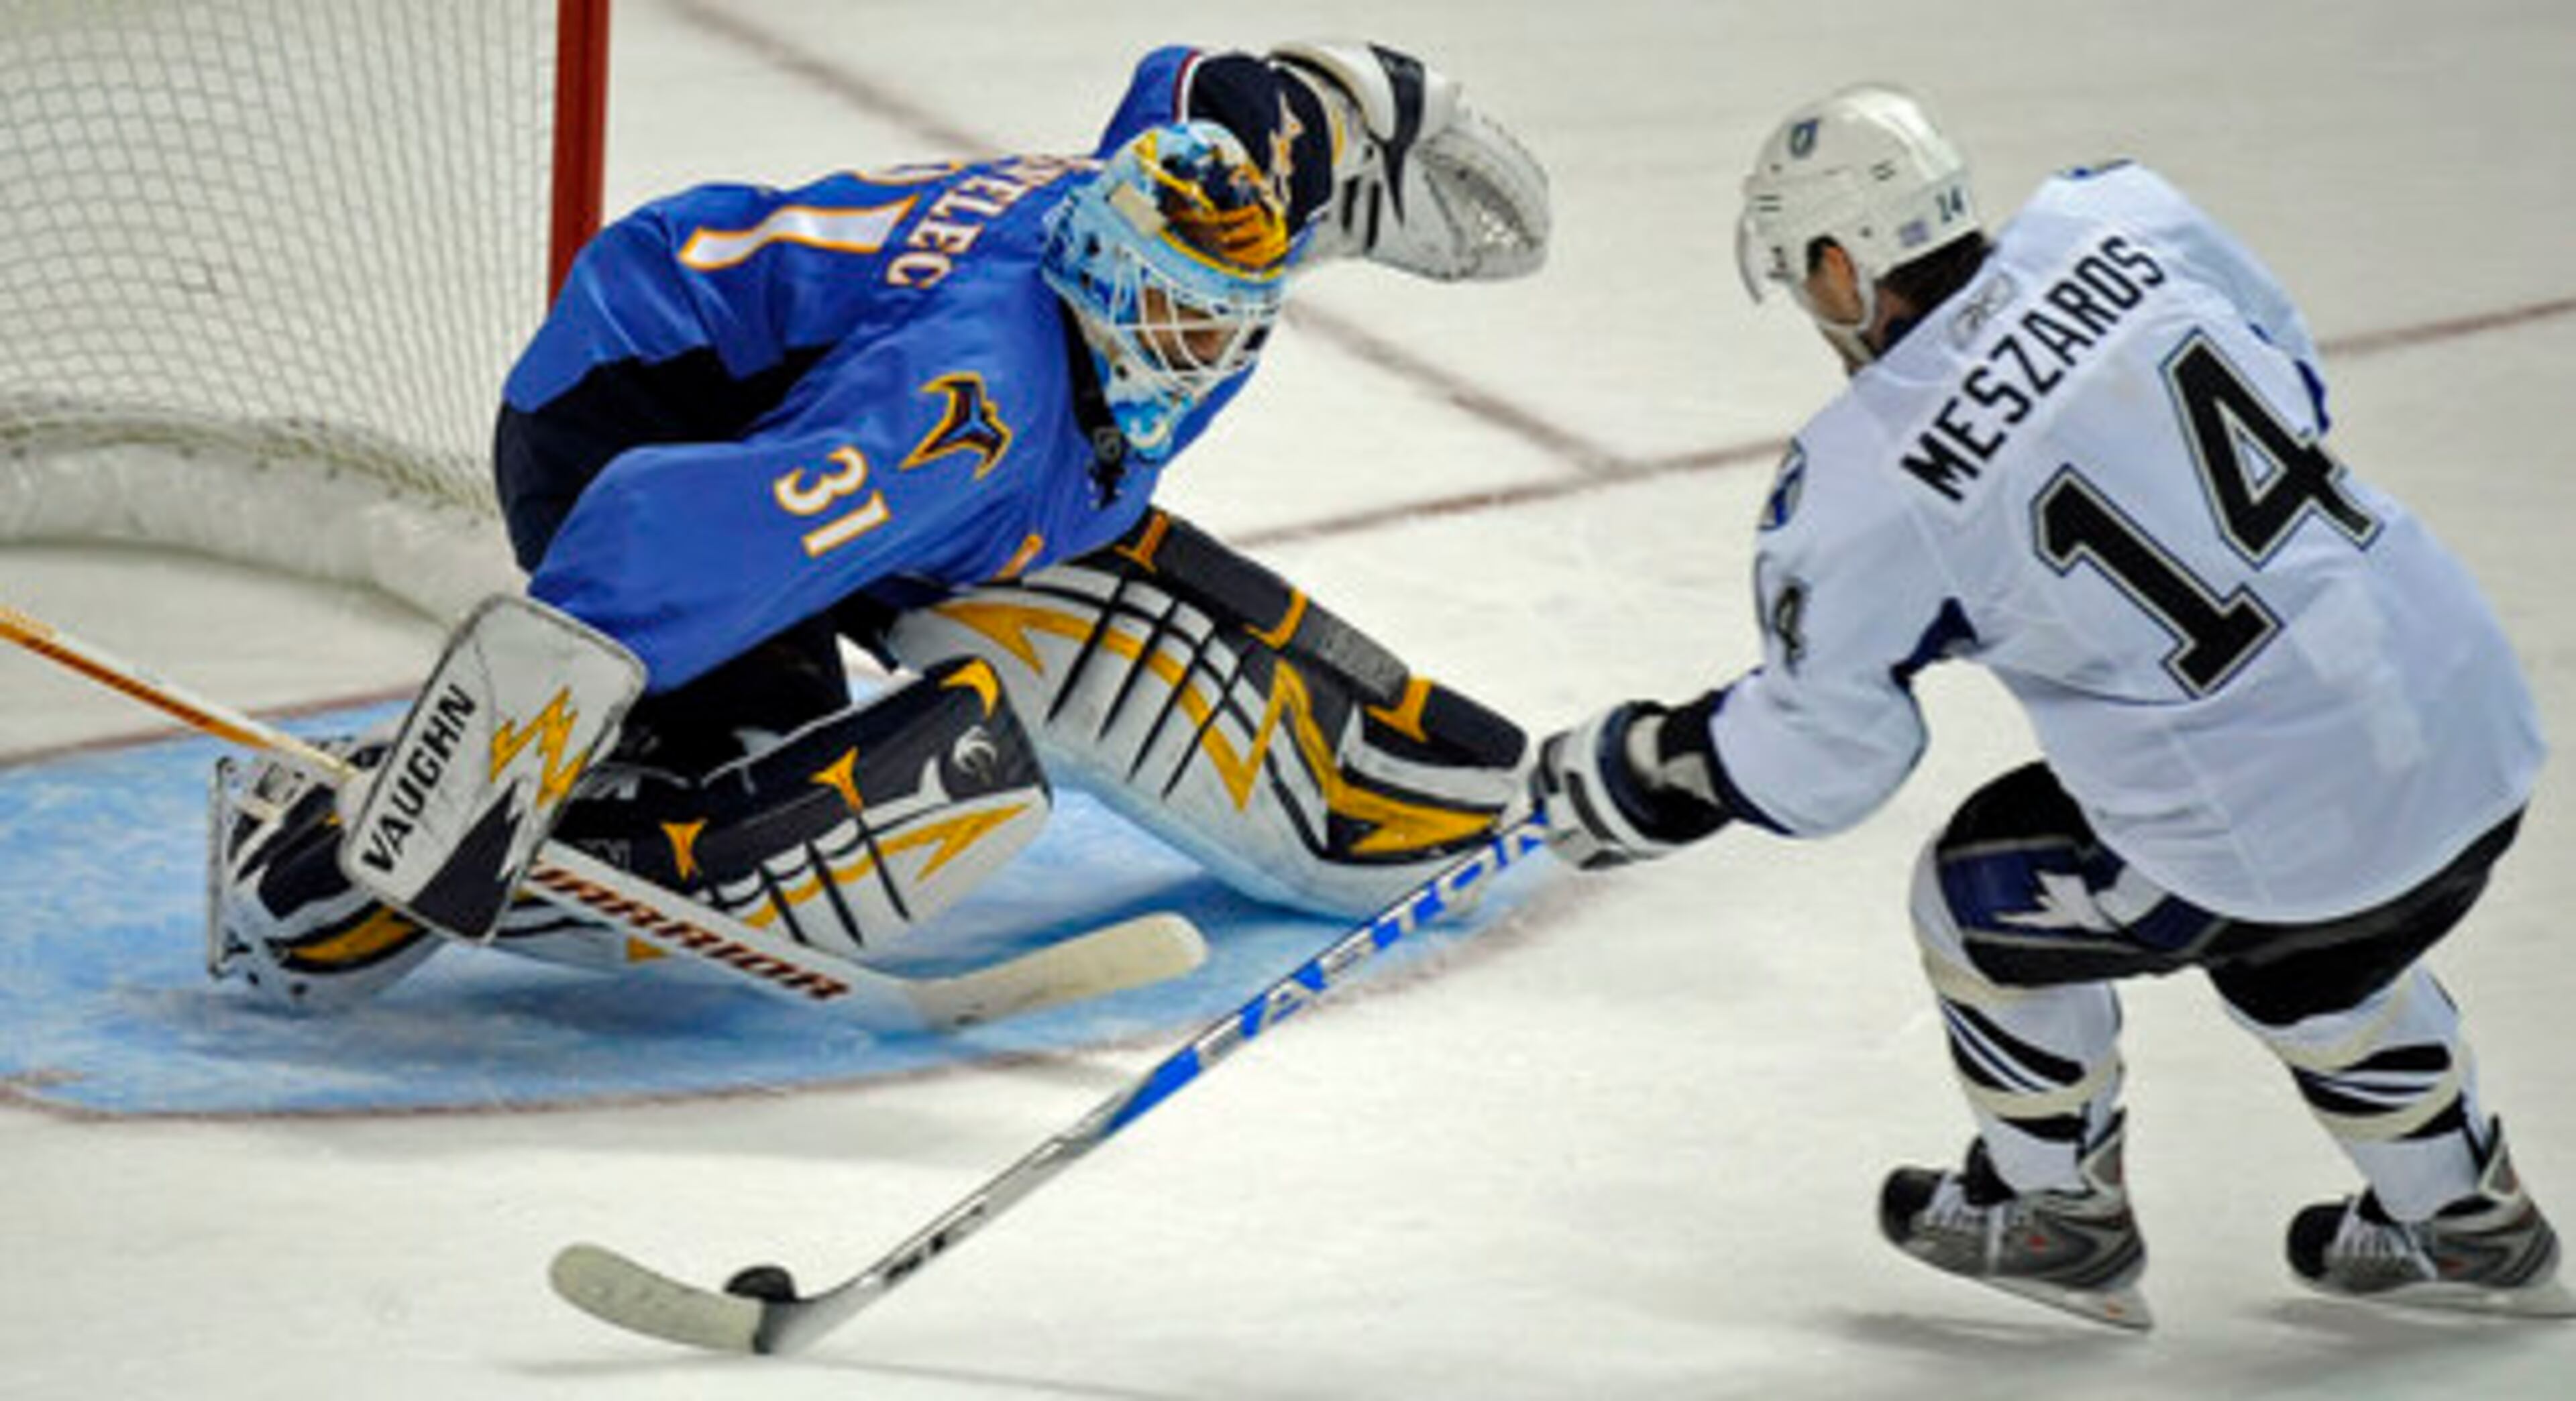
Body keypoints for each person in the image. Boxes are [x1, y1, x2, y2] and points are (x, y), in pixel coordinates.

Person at [208, 40, 1547, 1009]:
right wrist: (489, 750)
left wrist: (1367, 106)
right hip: (641, 417)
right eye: (1179, 319)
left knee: (1034, 585)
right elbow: (676, 540)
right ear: (1100, 267)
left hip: (826, 404)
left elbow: (1208, 92)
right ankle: (321, 842)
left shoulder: (1186, 230)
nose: (1200, 352)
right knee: (793, 798)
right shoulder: (958, 406)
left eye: (1228, 323)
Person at [1530, 83, 2570, 1325]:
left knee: (1978, 898)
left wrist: (1660, 764)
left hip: (2284, 826)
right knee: (2320, 949)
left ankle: (2048, 1209)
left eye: (1808, 281)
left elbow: (1823, 758)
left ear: (1838, 265)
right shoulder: (2113, 217)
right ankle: (2461, 1217)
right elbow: (2285, 364)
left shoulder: (1868, 477)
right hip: (2469, 716)